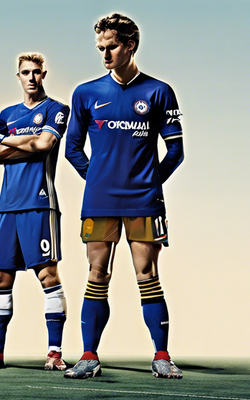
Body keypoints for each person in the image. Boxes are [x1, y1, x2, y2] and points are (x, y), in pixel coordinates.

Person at [63, 13, 185, 379]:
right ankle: (89, 356)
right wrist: (97, 178)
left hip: (143, 203)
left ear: (130, 45)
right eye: (100, 47)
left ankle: (161, 356)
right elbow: (72, 149)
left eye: (111, 46)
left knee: (147, 274)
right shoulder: (85, 93)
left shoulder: (158, 91)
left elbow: (176, 151)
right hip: (100, 202)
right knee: (97, 274)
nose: (104, 54)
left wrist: (149, 184)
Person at [0, 53, 71, 371]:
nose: (31, 78)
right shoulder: (7, 113)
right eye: (25, 72)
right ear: (18, 76)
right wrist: (29, 139)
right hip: (7, 207)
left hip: (39, 204)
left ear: (44, 75)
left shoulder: (57, 109)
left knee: (47, 275)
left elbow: (45, 146)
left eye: (36, 72)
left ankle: (54, 352)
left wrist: (12, 142)